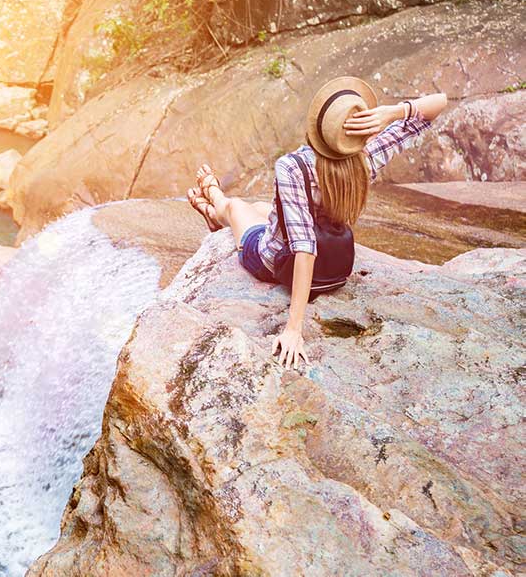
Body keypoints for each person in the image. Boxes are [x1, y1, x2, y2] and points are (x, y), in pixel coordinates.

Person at [187, 76, 448, 369]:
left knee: (236, 207)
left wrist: (294, 329)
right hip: (334, 268)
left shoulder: (294, 167)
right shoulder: (367, 156)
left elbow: (304, 248)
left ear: (318, 128)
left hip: (274, 264)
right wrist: (392, 112)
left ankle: (214, 200)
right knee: (263, 208)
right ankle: (215, 207)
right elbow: (440, 103)